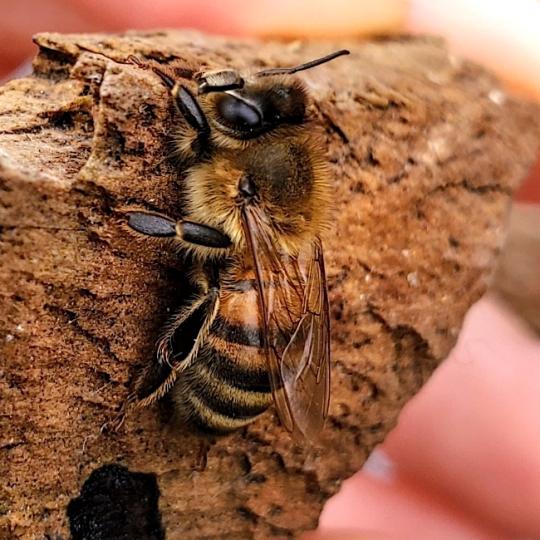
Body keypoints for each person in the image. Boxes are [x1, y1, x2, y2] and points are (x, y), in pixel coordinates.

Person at [2, 1, 539, 538]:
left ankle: (145, 394)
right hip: (271, 326)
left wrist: (153, 216)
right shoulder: (284, 186)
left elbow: (202, 214)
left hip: (231, 371)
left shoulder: (247, 190)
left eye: (234, 113)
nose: (223, 112)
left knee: (217, 289)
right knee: (222, 280)